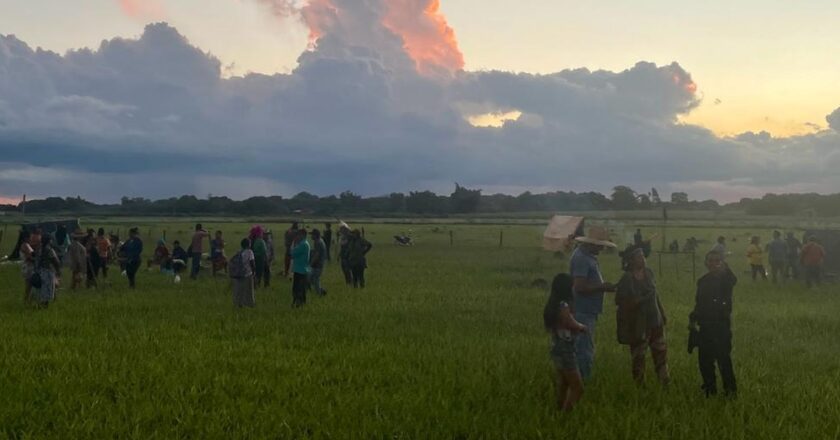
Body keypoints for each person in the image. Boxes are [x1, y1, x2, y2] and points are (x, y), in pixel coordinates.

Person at [616, 248, 670, 386]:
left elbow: (655, 294)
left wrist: (662, 312)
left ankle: (664, 381)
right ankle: (640, 385)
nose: (643, 259)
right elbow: (621, 301)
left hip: (655, 320)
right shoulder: (627, 278)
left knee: (660, 352)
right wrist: (636, 302)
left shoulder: (649, 273)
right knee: (638, 355)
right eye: (639, 257)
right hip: (638, 324)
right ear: (631, 260)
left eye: (643, 256)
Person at [570, 226, 617, 380]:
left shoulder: (588, 256)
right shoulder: (581, 258)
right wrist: (602, 287)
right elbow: (580, 287)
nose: (602, 248)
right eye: (600, 245)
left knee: (583, 346)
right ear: (592, 244)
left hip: (588, 310)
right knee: (584, 349)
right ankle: (582, 382)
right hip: (582, 311)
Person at [690, 251, 738, 397]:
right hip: (705, 325)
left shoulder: (726, 280)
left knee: (723, 359)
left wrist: (726, 268)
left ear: (722, 263)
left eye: (717, 261)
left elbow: (733, 280)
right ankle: (709, 389)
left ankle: (730, 391)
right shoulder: (703, 281)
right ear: (706, 263)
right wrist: (693, 319)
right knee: (705, 360)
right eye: (711, 260)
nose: (714, 263)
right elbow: (699, 303)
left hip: (721, 326)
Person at [544, 273, 587, 411]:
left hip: (557, 347)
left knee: (564, 383)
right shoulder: (563, 305)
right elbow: (568, 321)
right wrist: (581, 327)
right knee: (577, 388)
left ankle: (558, 410)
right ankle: (565, 415)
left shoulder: (553, 304)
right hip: (565, 349)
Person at [33, 235, 62, 308]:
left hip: (39, 271)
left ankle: (38, 305)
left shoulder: (39, 249)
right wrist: (58, 270)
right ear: (49, 241)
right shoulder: (49, 250)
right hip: (47, 272)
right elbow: (56, 261)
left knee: (39, 290)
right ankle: (44, 306)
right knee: (47, 290)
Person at [229, 238, 256, 308]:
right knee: (248, 290)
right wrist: (254, 272)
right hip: (247, 273)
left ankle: (238, 303)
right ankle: (249, 304)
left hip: (238, 273)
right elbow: (252, 263)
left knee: (238, 290)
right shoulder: (250, 252)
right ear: (249, 244)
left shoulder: (239, 252)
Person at [290, 228, 311, 307]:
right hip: (301, 269)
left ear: (303, 235)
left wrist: (294, 244)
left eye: (299, 235)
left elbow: (292, 253)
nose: (297, 236)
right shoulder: (304, 243)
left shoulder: (303, 244)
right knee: (301, 288)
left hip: (300, 270)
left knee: (298, 289)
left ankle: (299, 304)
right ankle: (299, 303)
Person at [18, 229, 35, 304]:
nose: (31, 238)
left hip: (27, 266)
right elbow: (29, 257)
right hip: (28, 267)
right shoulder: (25, 245)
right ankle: (26, 301)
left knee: (29, 286)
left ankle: (27, 301)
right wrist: (37, 259)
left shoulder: (25, 244)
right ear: (26, 238)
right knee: (29, 286)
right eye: (30, 237)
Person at [309, 229, 328, 296]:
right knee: (312, 279)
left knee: (314, 279)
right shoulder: (319, 241)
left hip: (318, 265)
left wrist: (310, 264)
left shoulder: (318, 242)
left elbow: (317, 255)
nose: (311, 236)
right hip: (318, 264)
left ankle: (319, 293)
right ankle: (321, 291)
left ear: (315, 235)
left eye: (312, 234)